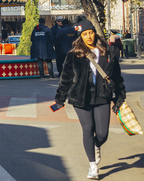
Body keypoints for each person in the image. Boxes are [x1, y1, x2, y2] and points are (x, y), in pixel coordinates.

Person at [52, 18, 126, 180]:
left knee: (102, 133)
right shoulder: (74, 55)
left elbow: (117, 77)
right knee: (87, 128)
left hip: (102, 95)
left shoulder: (109, 52)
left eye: (90, 33)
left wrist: (120, 96)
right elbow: (66, 77)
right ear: (81, 36)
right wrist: (60, 98)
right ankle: (93, 166)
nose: (88, 36)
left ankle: (96, 145)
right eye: (85, 34)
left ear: (95, 33)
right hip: (80, 97)